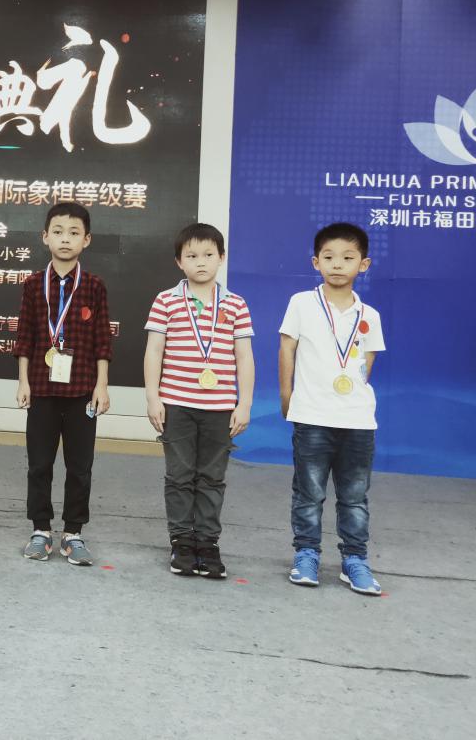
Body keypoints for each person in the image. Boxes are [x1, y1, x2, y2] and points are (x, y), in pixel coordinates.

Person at [279, 222, 385, 596]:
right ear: (316, 262)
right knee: (308, 493)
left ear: (364, 264)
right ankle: (306, 554)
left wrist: (348, 394)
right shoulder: (301, 303)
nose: (337, 264)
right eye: (329, 257)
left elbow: (367, 364)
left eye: (347, 258)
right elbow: (287, 348)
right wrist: (288, 395)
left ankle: (355, 560)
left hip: (358, 420)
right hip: (311, 416)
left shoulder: (369, 314)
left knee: (354, 497)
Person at [143, 223, 255, 579]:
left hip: (220, 408)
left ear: (221, 258)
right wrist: (153, 398)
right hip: (176, 404)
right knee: (179, 476)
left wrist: (244, 404)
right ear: (179, 262)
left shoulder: (235, 304)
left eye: (208, 254)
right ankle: (181, 542)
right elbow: (154, 351)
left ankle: (207, 543)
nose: (201, 262)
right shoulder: (166, 301)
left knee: (212, 478)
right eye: (191, 256)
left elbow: (244, 356)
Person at [14, 202, 112, 565]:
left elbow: (102, 340)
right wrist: (23, 381)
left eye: (74, 233)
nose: (65, 239)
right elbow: (25, 337)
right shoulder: (32, 285)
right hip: (41, 389)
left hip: (82, 391)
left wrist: (102, 386)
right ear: (45, 237)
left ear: (86, 240)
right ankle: (40, 530)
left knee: (80, 467)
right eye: (58, 232)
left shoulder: (94, 286)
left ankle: (73, 533)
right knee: (39, 464)